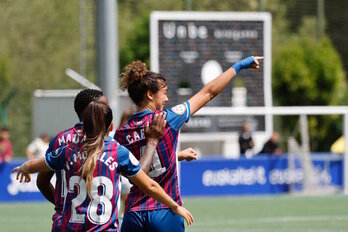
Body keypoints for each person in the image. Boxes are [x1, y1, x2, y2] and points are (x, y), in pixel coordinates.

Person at [115, 56, 262, 231]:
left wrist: (175, 156)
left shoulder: (121, 133)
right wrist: (239, 66)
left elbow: (139, 167)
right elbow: (209, 92)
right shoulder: (168, 119)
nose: (167, 99)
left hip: (133, 213)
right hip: (164, 210)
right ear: (149, 94)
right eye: (164, 92)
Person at [12, 101, 193, 231]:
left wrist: (24, 169)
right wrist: (174, 205)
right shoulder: (117, 152)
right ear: (111, 126)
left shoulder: (67, 151)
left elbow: (34, 165)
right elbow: (149, 185)